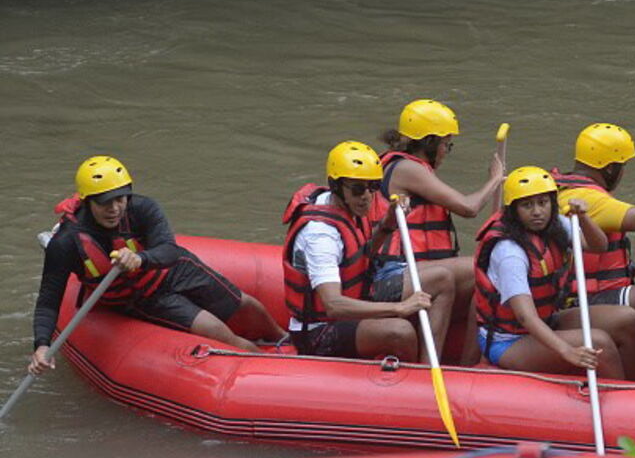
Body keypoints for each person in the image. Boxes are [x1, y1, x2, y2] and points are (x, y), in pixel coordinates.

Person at [29, 156, 284, 375]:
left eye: (120, 199)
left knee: (246, 305)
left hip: (172, 270)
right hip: (140, 296)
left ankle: (284, 338)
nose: (115, 208)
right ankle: (275, 368)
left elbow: (168, 250)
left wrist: (141, 259)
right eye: (105, 202)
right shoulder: (66, 243)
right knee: (216, 330)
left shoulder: (142, 208)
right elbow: (49, 299)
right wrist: (42, 345)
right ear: (87, 202)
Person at [282, 140, 455, 363]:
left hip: (357, 294)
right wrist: (400, 307)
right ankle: (413, 384)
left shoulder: (349, 208)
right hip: (319, 330)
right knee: (399, 331)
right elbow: (333, 305)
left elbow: (361, 257)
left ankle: (430, 366)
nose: (366, 196)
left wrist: (387, 224)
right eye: (357, 189)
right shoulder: (320, 235)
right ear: (336, 186)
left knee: (442, 279)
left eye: (372, 187)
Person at [474, 166, 635, 380]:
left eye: (543, 203)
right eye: (527, 205)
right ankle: (621, 403)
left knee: (628, 320)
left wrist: (583, 217)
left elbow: (599, 245)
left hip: (547, 319)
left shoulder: (557, 225)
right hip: (509, 340)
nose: (537, 212)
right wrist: (567, 351)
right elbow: (525, 316)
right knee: (598, 342)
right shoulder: (510, 253)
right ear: (514, 211)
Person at [377, 99, 503, 364]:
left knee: (485, 279)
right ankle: (444, 366)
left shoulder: (412, 168)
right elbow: (468, 208)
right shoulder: (407, 168)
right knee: (482, 264)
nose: (446, 151)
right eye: (446, 143)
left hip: (417, 273)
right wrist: (494, 179)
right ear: (429, 142)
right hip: (392, 275)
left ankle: (472, 363)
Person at [551, 123, 635, 316]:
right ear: (609, 168)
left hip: (591, 291)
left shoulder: (563, 186)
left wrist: (632, 270)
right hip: (580, 299)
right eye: (622, 165)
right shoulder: (588, 199)